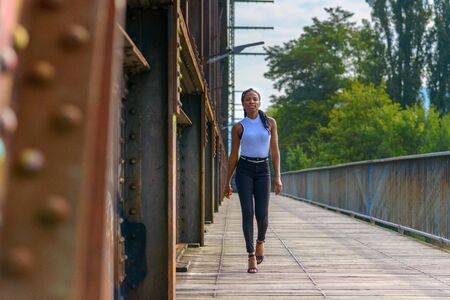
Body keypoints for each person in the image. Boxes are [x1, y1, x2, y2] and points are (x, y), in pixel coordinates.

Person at [224, 88, 282, 274]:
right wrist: (227, 182)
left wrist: (278, 177)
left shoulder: (269, 123)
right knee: (247, 212)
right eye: (248, 99)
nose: (251, 102)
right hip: (245, 170)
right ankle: (250, 255)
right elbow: (234, 155)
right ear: (243, 103)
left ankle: (260, 242)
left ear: (259, 102)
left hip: (263, 170)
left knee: (262, 215)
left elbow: (274, 151)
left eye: (255, 99)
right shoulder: (239, 127)